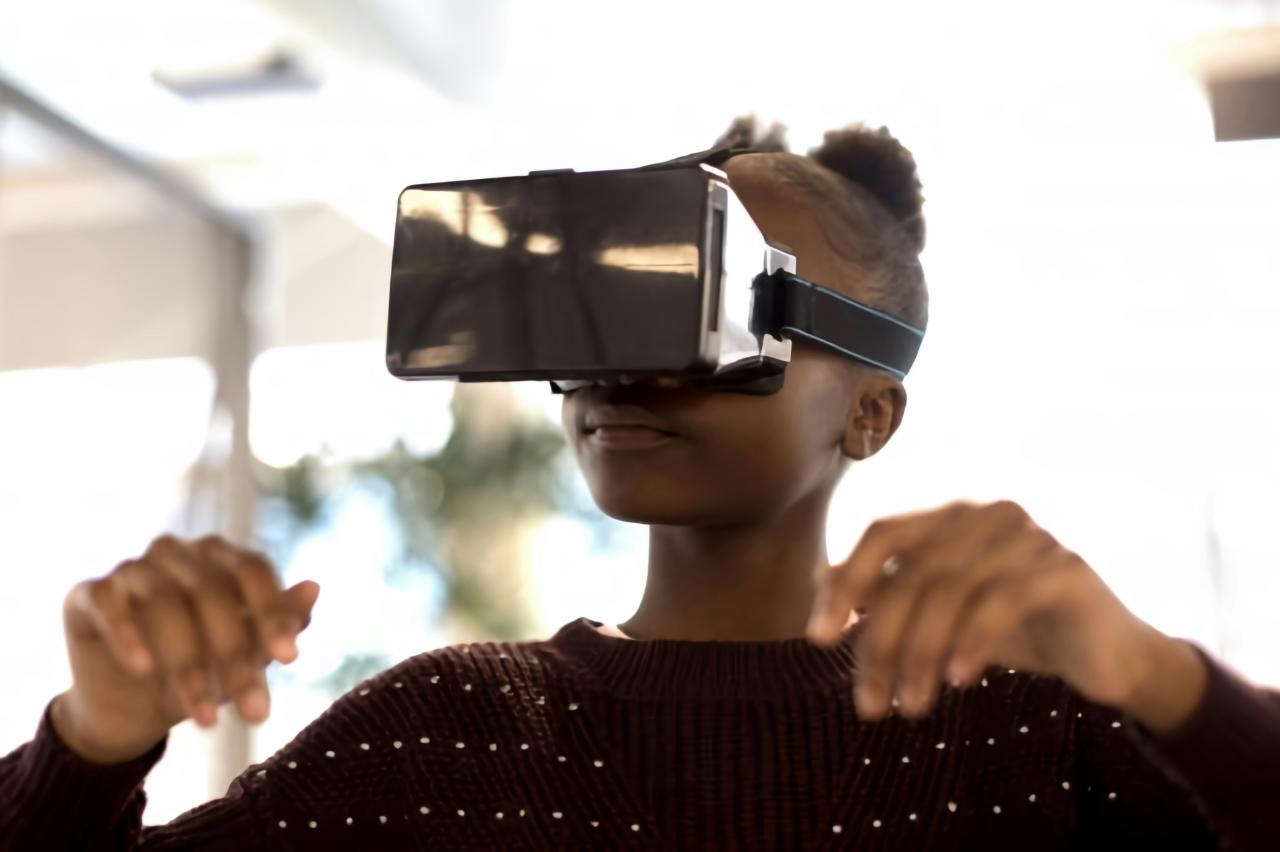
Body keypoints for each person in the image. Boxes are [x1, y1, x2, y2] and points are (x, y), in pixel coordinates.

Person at [2, 116, 1277, 852]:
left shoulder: (1027, 730)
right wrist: (93, 742)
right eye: (611, 303)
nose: (631, 364)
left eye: (707, 304)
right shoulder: (440, 732)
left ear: (872, 409)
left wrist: (1153, 677)